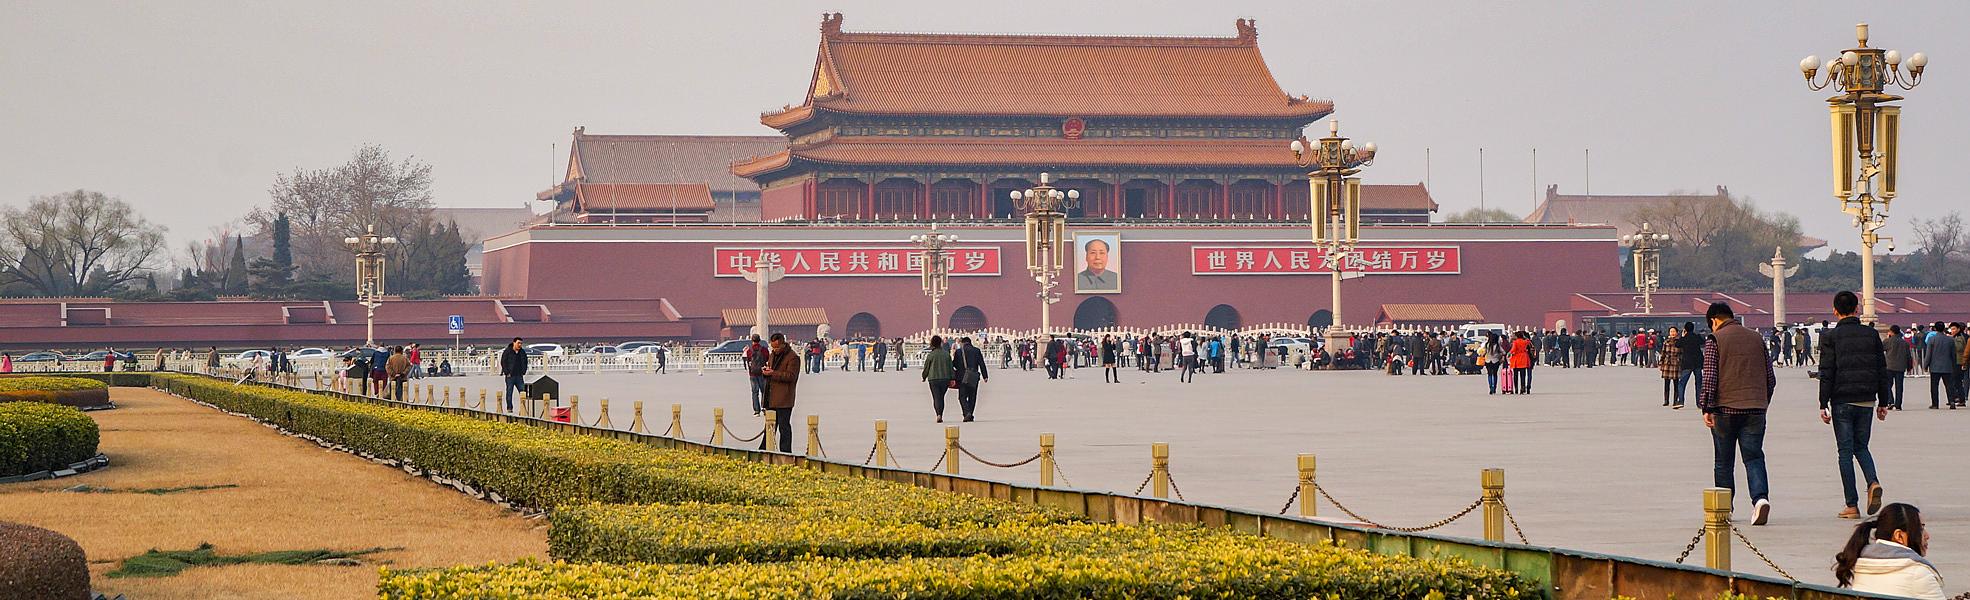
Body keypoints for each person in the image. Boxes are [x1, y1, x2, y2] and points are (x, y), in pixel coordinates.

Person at [1698, 302, 1777, 525]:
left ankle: (1725, 509)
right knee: (1753, 457)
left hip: (1725, 410)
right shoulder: (1756, 338)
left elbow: (1710, 377)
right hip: (1755, 409)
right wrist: (1763, 401)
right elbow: (1770, 378)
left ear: (1714, 320)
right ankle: (1760, 500)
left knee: (1724, 461)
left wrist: (1707, 407)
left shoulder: (1715, 340)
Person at [1818, 291, 1893, 519]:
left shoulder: (1830, 336)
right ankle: (1872, 481)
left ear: (1834, 310)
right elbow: (1882, 369)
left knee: (1845, 452)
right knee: (1861, 447)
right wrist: (1884, 401)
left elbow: (1827, 372)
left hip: (1842, 399)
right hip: (1866, 399)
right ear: (1857, 309)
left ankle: (1852, 504)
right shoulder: (1871, 335)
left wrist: (1823, 403)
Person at [1832, 503, 1945, 599]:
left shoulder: (1862, 567)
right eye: (1921, 528)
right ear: (1899, 536)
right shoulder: (1918, 574)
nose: (1927, 536)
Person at [760, 333, 800, 453]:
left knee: (784, 427)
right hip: (771, 397)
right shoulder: (772, 355)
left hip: (784, 399)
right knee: (770, 427)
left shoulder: (793, 357)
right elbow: (771, 369)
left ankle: (786, 452)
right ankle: (764, 449)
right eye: (773, 347)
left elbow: (791, 376)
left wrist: (773, 373)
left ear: (783, 344)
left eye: (777, 347)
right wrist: (766, 371)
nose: (775, 350)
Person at [1922, 321, 1958, 409]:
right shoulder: (1950, 340)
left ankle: (1935, 403)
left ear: (1935, 329)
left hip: (1935, 367)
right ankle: (1951, 401)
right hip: (1947, 366)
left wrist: (1925, 365)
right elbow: (1953, 354)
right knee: (1949, 385)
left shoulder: (1932, 339)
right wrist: (1954, 365)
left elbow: (1928, 354)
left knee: (1934, 386)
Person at [952, 337, 988, 422]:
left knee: (962, 397)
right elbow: (981, 363)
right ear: (970, 342)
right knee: (972, 396)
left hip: (962, 377)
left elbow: (955, 364)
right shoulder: (976, 351)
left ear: (962, 343)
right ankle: (970, 413)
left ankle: (966, 413)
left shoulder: (959, 351)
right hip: (974, 377)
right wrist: (985, 376)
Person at [920, 335, 955, 423]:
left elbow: (926, 367)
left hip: (933, 379)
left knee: (936, 397)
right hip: (945, 379)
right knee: (941, 397)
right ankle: (940, 414)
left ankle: (938, 414)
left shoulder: (931, 355)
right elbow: (950, 367)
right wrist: (952, 378)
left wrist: (924, 376)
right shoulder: (946, 354)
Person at [1676, 320, 1706, 411]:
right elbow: (1703, 342)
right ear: (1693, 328)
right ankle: (1699, 403)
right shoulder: (1697, 337)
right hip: (1697, 363)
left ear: (1685, 329)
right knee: (1699, 383)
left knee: (1682, 383)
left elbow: (1677, 344)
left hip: (1687, 363)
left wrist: (1682, 336)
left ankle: (1681, 401)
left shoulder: (1684, 338)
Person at [1884, 325, 1910, 411]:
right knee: (1899, 386)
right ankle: (1898, 405)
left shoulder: (1887, 341)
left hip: (1889, 366)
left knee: (1887, 385)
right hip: (1900, 367)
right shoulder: (1904, 343)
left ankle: (1890, 401)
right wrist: (1909, 367)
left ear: (1891, 332)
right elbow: (1908, 356)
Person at [499, 338, 528, 413]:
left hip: (519, 375)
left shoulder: (522, 352)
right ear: (514, 343)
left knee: (522, 392)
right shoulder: (508, 351)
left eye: (521, 343)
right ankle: (509, 408)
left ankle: (523, 408)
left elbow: (525, 361)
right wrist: (506, 372)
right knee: (509, 392)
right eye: (518, 343)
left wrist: (524, 371)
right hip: (510, 376)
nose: (520, 345)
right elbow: (503, 362)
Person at [744, 334, 768, 416]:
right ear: (759, 340)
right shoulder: (764, 350)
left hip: (752, 374)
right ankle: (764, 407)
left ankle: (756, 411)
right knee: (764, 391)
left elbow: (748, 361)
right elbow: (767, 359)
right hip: (762, 372)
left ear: (752, 340)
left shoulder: (749, 350)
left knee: (755, 392)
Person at [1660, 328, 1683, 407]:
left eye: (1674, 331)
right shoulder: (1666, 341)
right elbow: (1663, 352)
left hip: (1676, 363)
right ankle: (1666, 400)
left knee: (1676, 383)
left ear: (1677, 332)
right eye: (1671, 331)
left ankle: (1675, 400)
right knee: (1666, 383)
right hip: (1667, 363)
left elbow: (1682, 353)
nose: (1672, 333)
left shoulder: (1680, 342)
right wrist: (1661, 363)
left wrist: (1680, 360)